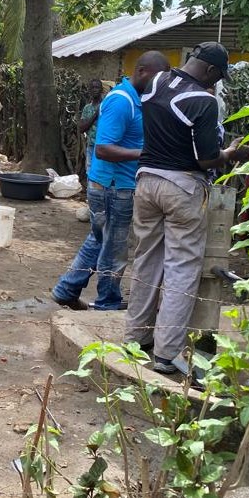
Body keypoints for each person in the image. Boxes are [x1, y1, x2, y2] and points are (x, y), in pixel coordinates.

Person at [125, 42, 249, 374]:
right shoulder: (204, 102)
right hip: (182, 187)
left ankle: (135, 337)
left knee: (146, 259)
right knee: (182, 267)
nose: (216, 83)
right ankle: (166, 354)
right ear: (210, 70)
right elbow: (207, 158)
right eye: (218, 76)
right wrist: (231, 154)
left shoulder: (155, 82)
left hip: (147, 181)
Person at [51, 52, 171, 312]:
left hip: (114, 185)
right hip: (113, 187)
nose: (161, 83)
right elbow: (103, 149)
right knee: (114, 248)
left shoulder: (135, 99)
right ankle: (108, 302)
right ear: (141, 71)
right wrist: (147, 154)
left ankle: (66, 289)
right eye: (158, 77)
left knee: (98, 239)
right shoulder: (121, 101)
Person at [79, 78, 104, 173]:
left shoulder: (106, 105)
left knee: (102, 173)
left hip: (104, 146)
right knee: (90, 172)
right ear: (89, 90)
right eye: (92, 87)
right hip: (91, 146)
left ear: (101, 90)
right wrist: (95, 115)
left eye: (97, 87)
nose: (94, 90)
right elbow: (81, 128)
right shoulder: (87, 108)